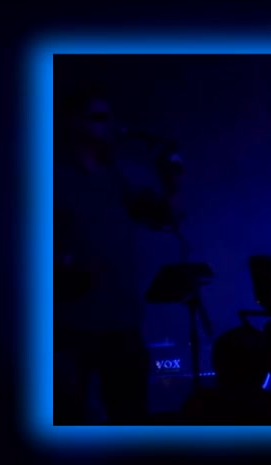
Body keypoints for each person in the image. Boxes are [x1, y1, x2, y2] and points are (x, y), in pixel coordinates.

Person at [54, 88, 183, 425]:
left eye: (109, 117)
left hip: (123, 323)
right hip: (69, 325)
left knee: (130, 418)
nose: (109, 125)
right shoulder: (53, 178)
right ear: (71, 123)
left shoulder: (122, 176)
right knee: (67, 417)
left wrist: (171, 179)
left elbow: (165, 217)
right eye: (97, 117)